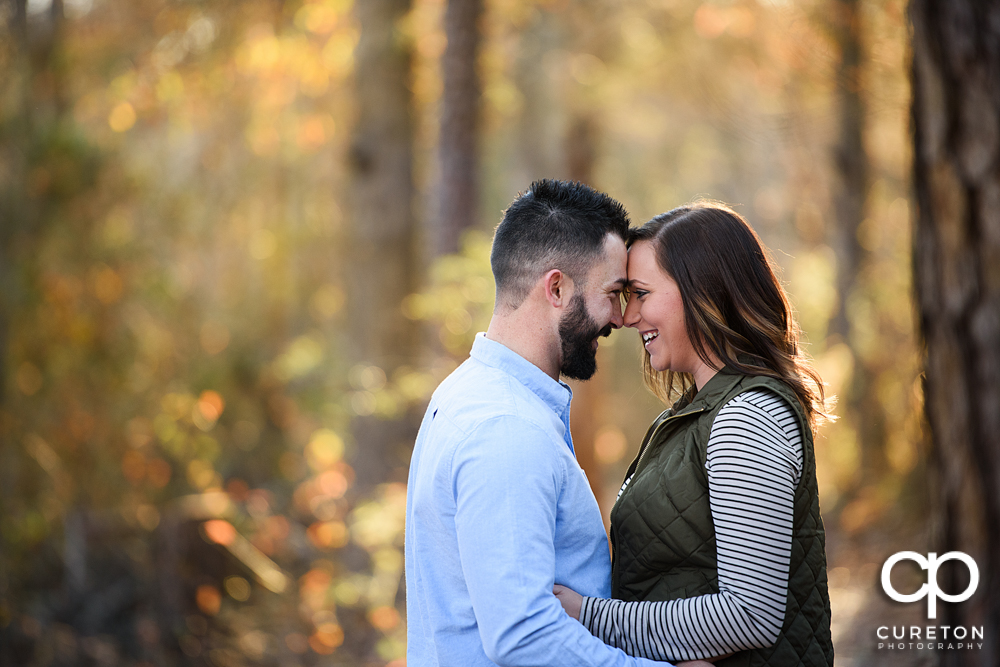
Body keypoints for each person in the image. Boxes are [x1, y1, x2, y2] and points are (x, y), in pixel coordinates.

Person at [404, 180, 713, 667]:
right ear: (556, 288)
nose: (621, 317)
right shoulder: (506, 430)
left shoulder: (465, 395)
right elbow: (523, 635)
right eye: (612, 293)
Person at [553, 202, 835, 667]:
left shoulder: (748, 416)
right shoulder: (699, 413)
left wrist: (588, 616)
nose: (626, 317)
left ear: (700, 290)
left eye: (641, 293)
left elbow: (750, 615)